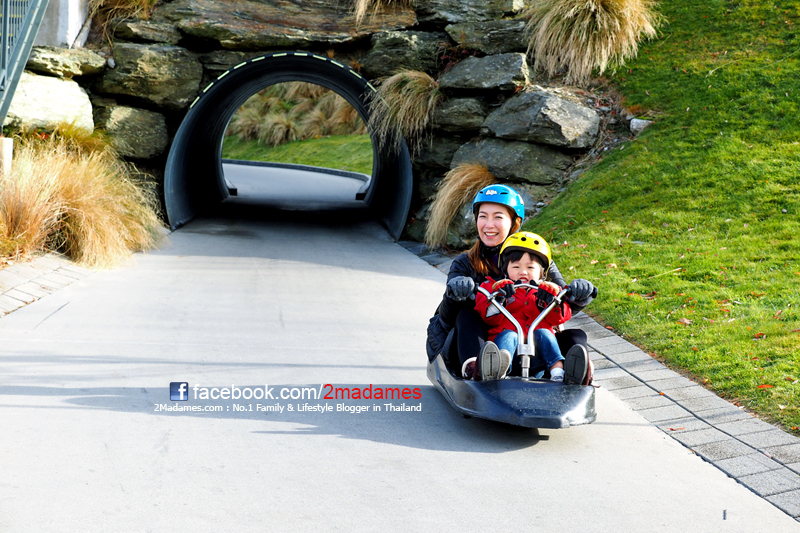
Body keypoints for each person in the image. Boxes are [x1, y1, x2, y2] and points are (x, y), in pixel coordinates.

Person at [425, 184, 596, 384]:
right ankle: (476, 368)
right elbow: (448, 316)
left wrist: (578, 295)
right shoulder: (465, 263)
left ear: (514, 223)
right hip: (482, 340)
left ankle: (577, 373)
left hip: (532, 340)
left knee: (575, 335)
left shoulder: (536, 259)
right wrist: (457, 291)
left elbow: (561, 302)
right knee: (467, 314)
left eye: (498, 217)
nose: (489, 225)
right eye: (483, 216)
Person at [471, 232, 586, 383]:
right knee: (509, 335)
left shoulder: (549, 290)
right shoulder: (493, 288)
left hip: (538, 358)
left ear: (542, 273)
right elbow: (487, 317)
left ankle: (558, 372)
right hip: (507, 351)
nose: (523, 272)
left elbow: (559, 318)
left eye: (530, 267)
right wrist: (499, 297)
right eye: (516, 266)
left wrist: (552, 301)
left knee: (544, 333)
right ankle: (497, 369)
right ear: (505, 270)